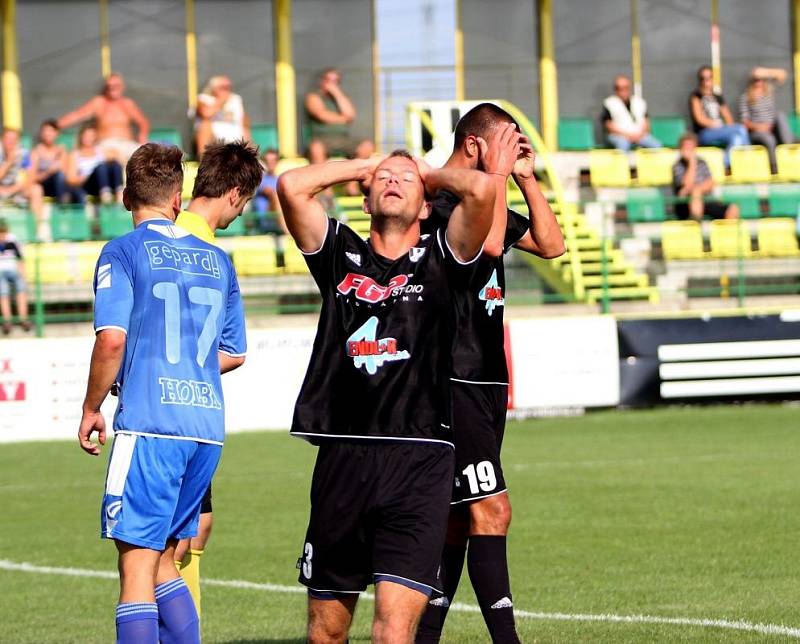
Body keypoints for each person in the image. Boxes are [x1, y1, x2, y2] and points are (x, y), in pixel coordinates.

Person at [277, 147, 503, 643]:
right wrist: (364, 167)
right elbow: (292, 186)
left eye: (406, 179)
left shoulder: (444, 258)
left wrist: (429, 174)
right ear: (365, 199)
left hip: (420, 461)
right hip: (344, 457)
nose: (394, 181)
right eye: (384, 178)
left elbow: (483, 190)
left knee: (394, 631)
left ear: (426, 206)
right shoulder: (341, 256)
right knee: (326, 632)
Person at [77, 142, 247, 644]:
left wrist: (91, 406)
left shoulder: (123, 251)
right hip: (205, 430)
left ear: (126, 197)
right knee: (164, 564)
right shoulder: (218, 260)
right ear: (178, 199)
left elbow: (112, 338)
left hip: (150, 426)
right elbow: (232, 351)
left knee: (135, 572)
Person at [415, 104, 565, 644]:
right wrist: (498, 177)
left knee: (459, 521)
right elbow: (490, 244)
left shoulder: (496, 187)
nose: (512, 151)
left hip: (485, 376)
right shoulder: (439, 198)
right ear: (475, 146)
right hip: (449, 375)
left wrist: (524, 178)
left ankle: (423, 635)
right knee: (492, 509)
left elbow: (552, 244)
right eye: (506, 143)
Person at [172, 140, 263, 617]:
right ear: (233, 194)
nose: (242, 214)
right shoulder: (212, 258)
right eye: (245, 203)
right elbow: (234, 353)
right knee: (171, 543)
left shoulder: (157, 239)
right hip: (179, 414)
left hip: (185, 413)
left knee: (196, 527)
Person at [58, 72, 149, 164]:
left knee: (144, 157)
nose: (112, 88)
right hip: (105, 145)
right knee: (113, 158)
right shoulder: (99, 102)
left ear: (122, 87)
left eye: (116, 85)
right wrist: (56, 126)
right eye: (110, 86)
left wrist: (142, 138)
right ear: (106, 88)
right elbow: (77, 115)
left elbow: (143, 122)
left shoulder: (128, 104)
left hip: (126, 143)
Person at [305, 67, 375, 166]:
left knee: (367, 145)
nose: (331, 84)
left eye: (335, 81)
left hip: (343, 139)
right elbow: (321, 115)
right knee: (316, 148)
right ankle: (323, 180)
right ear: (322, 81)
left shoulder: (340, 98)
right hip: (321, 139)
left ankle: (353, 181)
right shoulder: (314, 96)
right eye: (328, 80)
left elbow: (350, 115)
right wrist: (344, 118)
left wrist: (337, 93)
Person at [690, 65, 749, 165]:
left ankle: (725, 164)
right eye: (703, 78)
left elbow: (728, 118)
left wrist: (725, 127)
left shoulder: (717, 97)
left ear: (713, 79)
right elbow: (699, 119)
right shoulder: (696, 97)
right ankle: (748, 159)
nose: (706, 81)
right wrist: (713, 124)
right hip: (704, 133)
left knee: (736, 138)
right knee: (740, 129)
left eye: (709, 78)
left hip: (720, 131)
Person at [739, 67, 794, 173]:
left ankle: (788, 146)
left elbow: (783, 75)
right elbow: (744, 122)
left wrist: (765, 72)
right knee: (769, 139)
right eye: (756, 79)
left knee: (780, 116)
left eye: (761, 79)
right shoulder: (745, 97)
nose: (758, 82)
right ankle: (774, 169)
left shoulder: (768, 93)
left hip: (773, 127)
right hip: (758, 132)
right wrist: (760, 127)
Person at [673, 133, 738, 221]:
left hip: (706, 199)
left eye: (691, 148)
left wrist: (698, 189)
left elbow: (711, 182)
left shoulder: (702, 163)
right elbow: (686, 184)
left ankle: (728, 233)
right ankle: (696, 226)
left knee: (733, 208)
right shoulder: (677, 166)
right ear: (681, 149)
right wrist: (692, 163)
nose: (689, 151)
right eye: (686, 148)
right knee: (695, 193)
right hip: (686, 204)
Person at [0, 129, 46, 240]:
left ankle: (38, 232)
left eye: (13, 139)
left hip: (16, 190)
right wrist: (8, 162)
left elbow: (29, 178)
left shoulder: (24, 154)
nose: (10, 142)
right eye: (7, 139)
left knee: (36, 190)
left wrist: (11, 190)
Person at [65, 124, 124, 205]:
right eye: (86, 135)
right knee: (101, 167)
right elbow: (70, 179)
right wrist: (82, 178)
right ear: (81, 137)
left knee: (115, 164)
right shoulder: (75, 154)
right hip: (88, 184)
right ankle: (105, 196)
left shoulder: (100, 151)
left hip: (103, 182)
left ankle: (119, 193)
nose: (88, 138)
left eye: (91, 136)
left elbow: (117, 156)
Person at [193, 75, 251, 157]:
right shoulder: (203, 99)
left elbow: (245, 122)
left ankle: (249, 160)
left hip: (234, 136)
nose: (227, 90)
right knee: (205, 124)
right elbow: (206, 114)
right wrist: (222, 100)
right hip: (213, 138)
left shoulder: (235, 99)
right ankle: (203, 159)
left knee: (245, 129)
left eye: (228, 87)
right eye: (223, 87)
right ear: (213, 88)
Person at [602, 75, 662, 151]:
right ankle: (622, 163)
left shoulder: (639, 102)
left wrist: (639, 135)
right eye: (619, 88)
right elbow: (608, 125)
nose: (622, 91)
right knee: (623, 144)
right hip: (619, 136)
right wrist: (627, 135)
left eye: (625, 87)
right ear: (615, 89)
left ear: (629, 88)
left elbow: (646, 121)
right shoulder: (609, 103)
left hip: (639, 135)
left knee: (656, 145)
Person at [0, 218, 32, 334]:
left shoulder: (12, 239)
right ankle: (7, 320)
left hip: (13, 270)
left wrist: (24, 275)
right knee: (3, 291)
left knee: (21, 288)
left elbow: (20, 258)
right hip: (1, 272)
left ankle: (23, 319)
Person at [28, 119, 70, 204]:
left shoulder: (61, 150)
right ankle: (62, 205)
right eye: (45, 131)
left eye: (50, 131)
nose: (47, 133)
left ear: (56, 133)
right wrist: (49, 172)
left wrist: (60, 161)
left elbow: (66, 173)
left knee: (60, 177)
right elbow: (32, 177)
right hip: (43, 186)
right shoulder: (36, 152)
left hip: (59, 185)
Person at [252, 148, 286, 233]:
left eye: (273, 160)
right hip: (265, 219)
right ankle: (286, 229)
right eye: (268, 161)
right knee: (276, 196)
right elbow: (270, 193)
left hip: (277, 217)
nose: (270, 163)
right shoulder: (259, 179)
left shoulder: (280, 179)